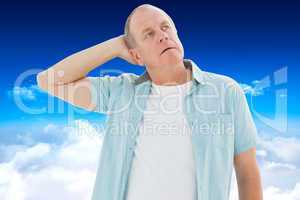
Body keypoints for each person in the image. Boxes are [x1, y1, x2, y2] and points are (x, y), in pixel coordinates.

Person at [36, 4, 263, 200]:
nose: (162, 35)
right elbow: (49, 81)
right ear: (136, 56)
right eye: (149, 34)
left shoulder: (225, 91)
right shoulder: (120, 92)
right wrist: (115, 46)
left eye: (165, 27)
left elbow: (247, 171)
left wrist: (140, 37)